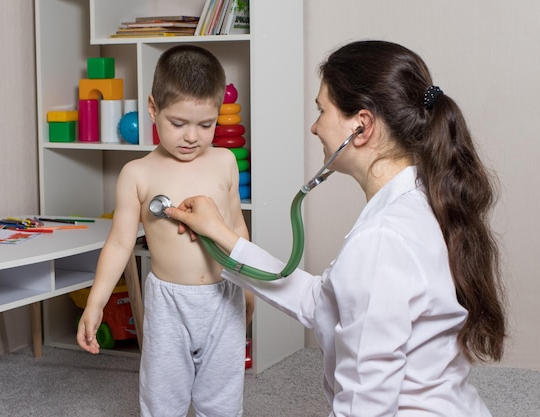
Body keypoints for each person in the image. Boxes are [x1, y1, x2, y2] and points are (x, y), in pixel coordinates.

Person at [165, 40, 506, 416]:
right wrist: (223, 236)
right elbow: (320, 301)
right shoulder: (420, 201)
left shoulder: (383, 240)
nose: (314, 127)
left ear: (361, 126)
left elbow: (365, 405)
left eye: (321, 110)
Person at [76, 44, 254, 417]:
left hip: (225, 297)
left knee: (222, 398)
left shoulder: (223, 162)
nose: (192, 137)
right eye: (178, 123)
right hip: (169, 303)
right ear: (153, 108)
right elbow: (120, 243)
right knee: (163, 398)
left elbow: (236, 225)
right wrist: (96, 303)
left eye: (206, 125)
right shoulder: (138, 174)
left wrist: (249, 285)